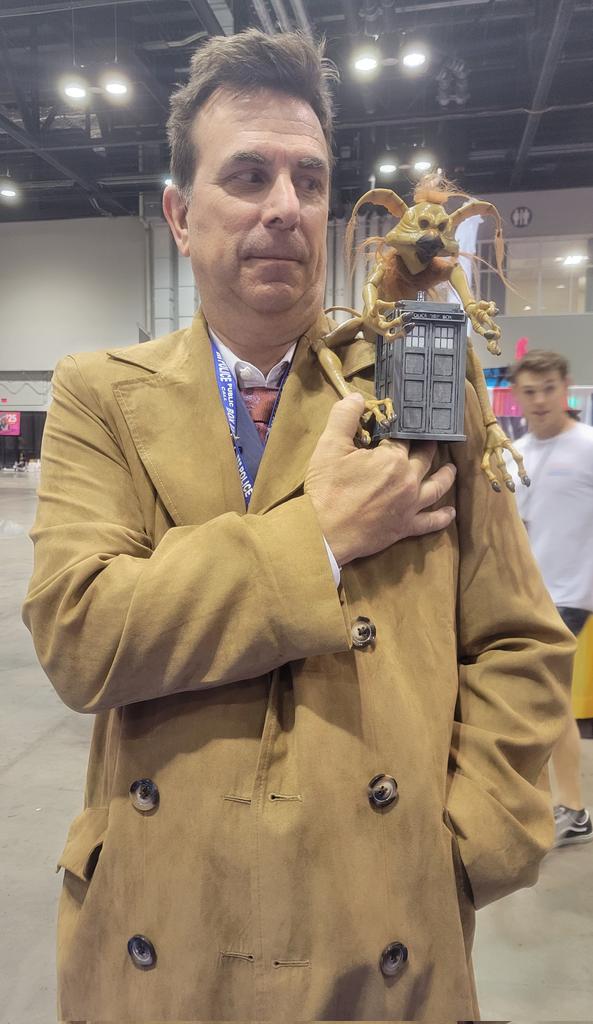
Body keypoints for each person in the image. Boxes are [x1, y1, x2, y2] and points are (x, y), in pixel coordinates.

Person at [23, 30, 573, 1024]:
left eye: (308, 180)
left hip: (383, 932)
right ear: (180, 215)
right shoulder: (98, 395)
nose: (284, 204)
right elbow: (80, 636)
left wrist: (461, 850)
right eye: (248, 176)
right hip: (161, 927)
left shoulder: (423, 379)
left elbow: (519, 640)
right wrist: (315, 533)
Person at [510, 349, 593, 847]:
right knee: (539, 703)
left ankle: (573, 810)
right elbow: (517, 532)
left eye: (548, 389)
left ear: (565, 389)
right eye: (530, 391)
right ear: (517, 397)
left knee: (550, 702)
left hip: (571, 595)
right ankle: (551, 804)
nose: (540, 400)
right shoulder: (515, 454)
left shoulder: (588, 447)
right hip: (529, 598)